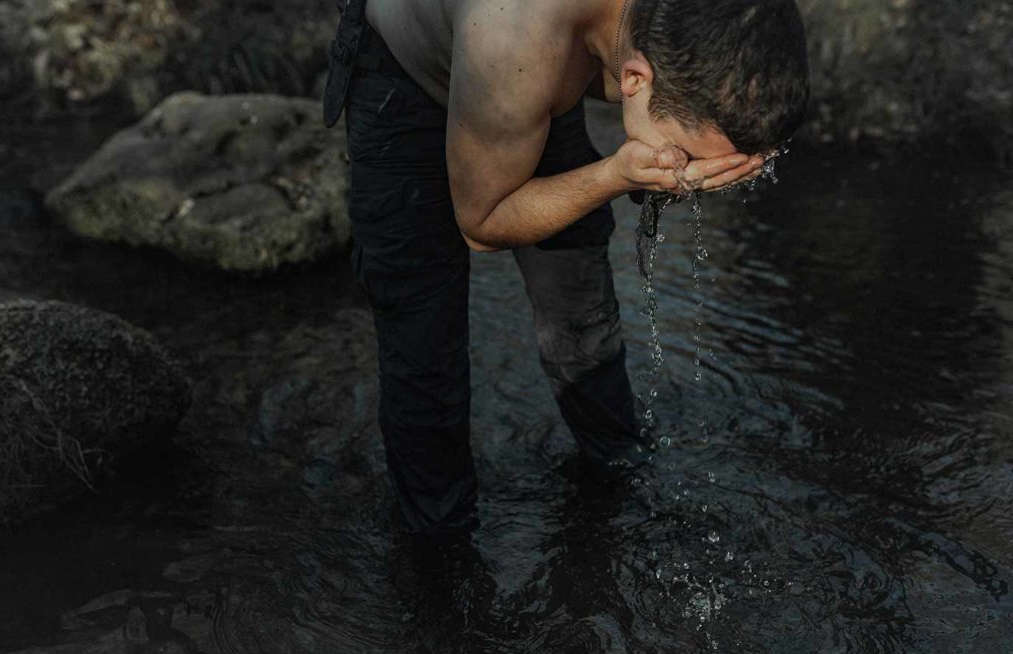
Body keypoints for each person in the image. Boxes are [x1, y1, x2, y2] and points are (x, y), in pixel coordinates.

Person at [323, 0, 809, 536]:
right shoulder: (514, 40)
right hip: (408, 78)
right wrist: (615, 176)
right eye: (685, 156)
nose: (690, 175)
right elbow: (481, 224)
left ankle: (619, 475)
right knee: (422, 335)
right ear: (635, 78)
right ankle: (438, 557)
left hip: (531, 75)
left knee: (578, 288)